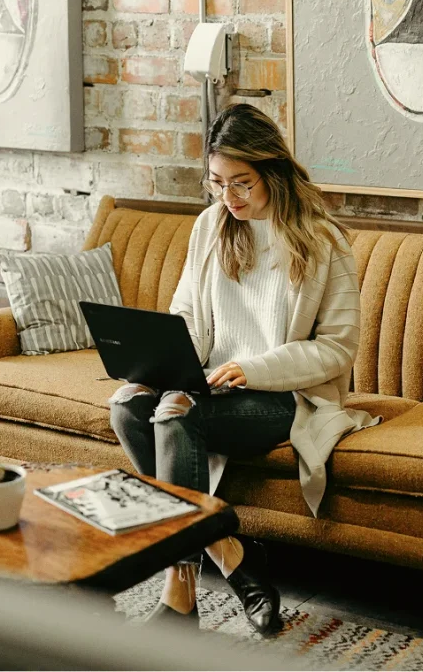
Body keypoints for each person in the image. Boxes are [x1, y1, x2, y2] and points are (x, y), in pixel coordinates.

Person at [109, 103, 378, 634]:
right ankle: (231, 551)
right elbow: (186, 312)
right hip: (209, 382)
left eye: (242, 184)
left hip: (282, 396)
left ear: (272, 172)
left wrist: (251, 369)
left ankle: (179, 594)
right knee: (128, 405)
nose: (228, 198)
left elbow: (337, 349)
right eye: (217, 183)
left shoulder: (324, 241)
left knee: (175, 416)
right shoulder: (211, 226)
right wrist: (160, 362)